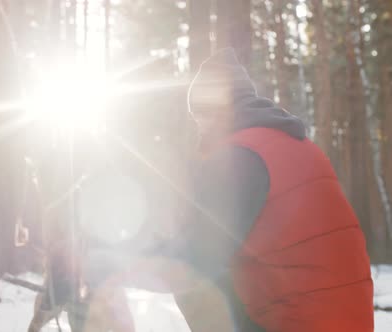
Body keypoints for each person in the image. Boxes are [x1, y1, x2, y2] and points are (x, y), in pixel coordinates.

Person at [84, 48, 374, 331]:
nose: (199, 127)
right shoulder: (294, 143)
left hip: (299, 322)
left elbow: (196, 260)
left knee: (196, 284)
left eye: (199, 115)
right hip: (347, 319)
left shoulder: (241, 156)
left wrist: (116, 262)